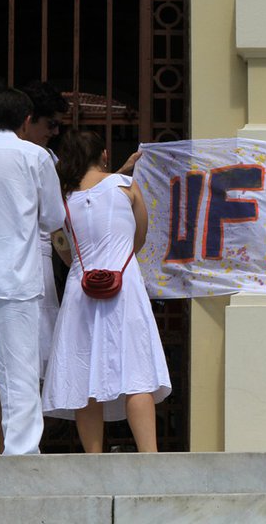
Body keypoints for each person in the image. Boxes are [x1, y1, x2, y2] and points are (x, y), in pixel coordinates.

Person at [42, 129, 170, 452]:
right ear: (104, 154)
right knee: (136, 370)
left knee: (85, 374)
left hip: (81, 288)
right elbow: (139, 237)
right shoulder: (125, 186)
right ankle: (150, 456)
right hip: (123, 284)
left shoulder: (65, 200)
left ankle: (94, 459)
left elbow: (65, 249)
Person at [0, 88, 65, 455]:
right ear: (25, 122)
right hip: (16, 276)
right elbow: (53, 217)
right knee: (18, 369)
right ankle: (20, 451)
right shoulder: (36, 157)